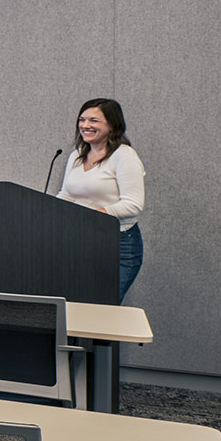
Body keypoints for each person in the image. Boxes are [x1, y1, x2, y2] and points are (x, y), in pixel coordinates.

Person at [55, 97, 146, 300]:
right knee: (77, 306)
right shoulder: (77, 155)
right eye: (82, 119)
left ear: (112, 124)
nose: (85, 125)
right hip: (80, 241)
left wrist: (92, 217)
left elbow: (133, 204)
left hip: (118, 244)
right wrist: (48, 212)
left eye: (94, 120)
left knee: (103, 309)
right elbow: (67, 195)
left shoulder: (124, 156)